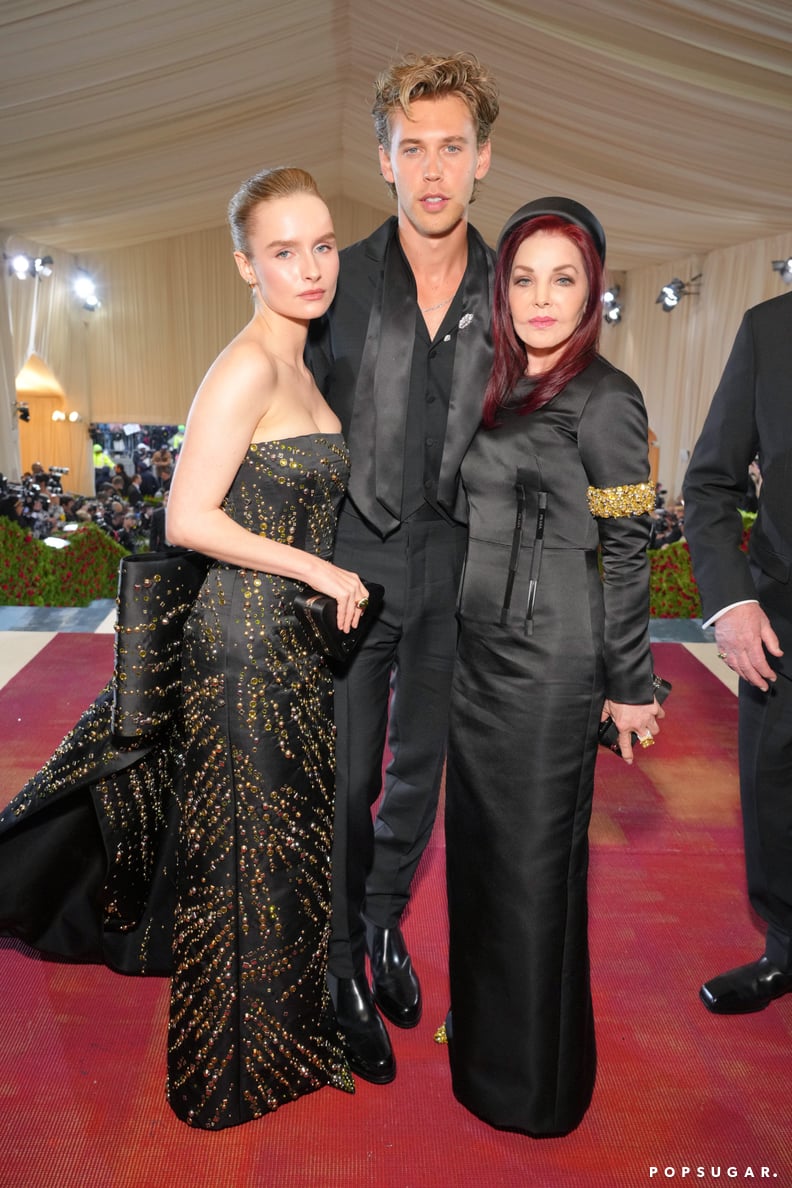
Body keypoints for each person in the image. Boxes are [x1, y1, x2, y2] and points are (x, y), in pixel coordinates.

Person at [0, 166, 369, 1130]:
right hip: (240, 645)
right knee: (242, 858)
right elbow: (188, 516)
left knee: (283, 849)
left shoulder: (302, 361)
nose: (310, 267)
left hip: (283, 647)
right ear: (245, 264)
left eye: (322, 244)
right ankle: (226, 1076)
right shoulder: (248, 363)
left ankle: (284, 1045)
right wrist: (323, 572)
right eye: (284, 251)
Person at [443, 197, 663, 1136]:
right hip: (479, 657)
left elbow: (627, 550)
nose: (540, 298)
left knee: (535, 871)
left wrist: (630, 683)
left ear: (593, 292)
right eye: (523, 278)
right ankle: (487, 1042)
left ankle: (535, 1082)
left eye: (562, 279)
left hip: (556, 665)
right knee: (480, 863)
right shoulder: (492, 382)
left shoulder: (607, 398)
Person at [308, 51, 500, 1084]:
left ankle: (384, 924)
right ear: (382, 159)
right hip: (348, 561)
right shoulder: (336, 279)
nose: (433, 170)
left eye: (452, 147)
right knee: (344, 778)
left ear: (484, 158)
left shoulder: (512, 286)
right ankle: (338, 961)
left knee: (419, 771)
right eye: (412, 147)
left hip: (457, 565)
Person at [682, 292, 792, 1015]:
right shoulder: (771, 328)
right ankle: (784, 950)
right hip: (783, 616)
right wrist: (731, 602)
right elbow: (711, 480)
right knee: (776, 791)